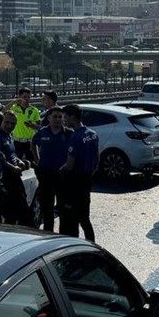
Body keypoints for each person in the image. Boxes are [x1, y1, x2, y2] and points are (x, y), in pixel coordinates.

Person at [60, 103, 99, 240]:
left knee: (71, 218)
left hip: (74, 182)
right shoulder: (92, 134)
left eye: (65, 117)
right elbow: (96, 159)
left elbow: (69, 165)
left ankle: (73, 246)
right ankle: (92, 245)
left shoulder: (75, 138)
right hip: (87, 179)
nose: (63, 121)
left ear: (73, 117)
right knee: (84, 217)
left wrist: (60, 171)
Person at [32, 106, 70, 232]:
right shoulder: (42, 132)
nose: (58, 119)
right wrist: (38, 160)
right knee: (47, 209)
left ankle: (63, 236)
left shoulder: (69, 133)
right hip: (46, 175)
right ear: (48, 118)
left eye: (60, 117)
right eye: (55, 116)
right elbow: (33, 144)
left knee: (63, 210)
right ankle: (49, 234)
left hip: (62, 175)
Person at [0, 111, 34, 226]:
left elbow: (11, 154)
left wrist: (19, 161)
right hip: (5, 180)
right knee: (17, 214)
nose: (9, 126)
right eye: (7, 122)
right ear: (1, 121)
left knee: (21, 214)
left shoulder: (9, 136)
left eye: (13, 124)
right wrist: (13, 167)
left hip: (15, 177)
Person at [8, 87, 41, 160]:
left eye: (29, 97)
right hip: (16, 142)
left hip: (29, 142)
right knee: (16, 163)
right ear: (19, 97)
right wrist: (14, 101)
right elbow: (3, 111)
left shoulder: (34, 110)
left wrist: (32, 125)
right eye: (24, 97)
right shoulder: (14, 108)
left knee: (33, 162)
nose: (27, 99)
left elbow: (39, 126)